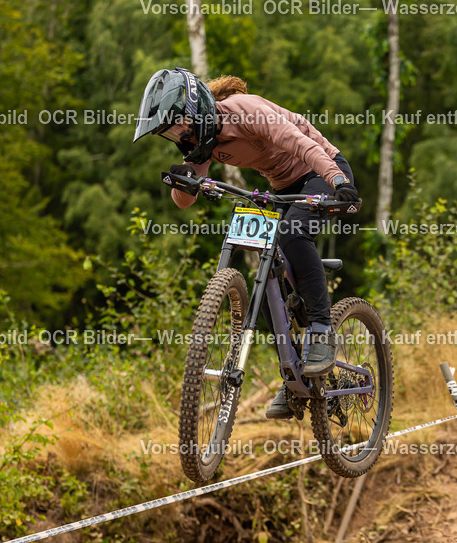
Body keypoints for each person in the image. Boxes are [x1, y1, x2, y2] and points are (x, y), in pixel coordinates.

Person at [133, 67, 359, 420]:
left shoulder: (245, 109)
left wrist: (338, 180)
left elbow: (300, 144)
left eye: (177, 124)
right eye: (169, 132)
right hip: (284, 188)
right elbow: (184, 202)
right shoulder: (201, 141)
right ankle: (293, 374)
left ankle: (321, 330)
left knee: (292, 234)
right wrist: (185, 179)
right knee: (265, 281)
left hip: (320, 169)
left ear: (195, 108)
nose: (178, 134)